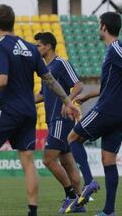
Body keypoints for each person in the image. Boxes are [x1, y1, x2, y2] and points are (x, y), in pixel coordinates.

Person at [0, 4, 80, 216]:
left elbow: (1, 80)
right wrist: (67, 101)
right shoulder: (31, 48)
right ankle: (32, 212)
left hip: (9, 109)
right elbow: (49, 80)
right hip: (28, 112)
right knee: (27, 160)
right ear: (13, 22)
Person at [67, 12, 122, 216]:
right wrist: (88, 95)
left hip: (107, 110)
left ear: (104, 26)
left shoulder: (115, 48)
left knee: (73, 138)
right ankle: (109, 211)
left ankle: (89, 182)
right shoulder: (111, 52)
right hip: (120, 114)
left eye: (98, 25)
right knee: (108, 160)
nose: (98, 28)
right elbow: (107, 86)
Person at [34, 32, 87, 213]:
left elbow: (78, 85)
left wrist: (69, 102)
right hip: (52, 119)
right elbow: (42, 95)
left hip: (61, 118)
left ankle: (71, 196)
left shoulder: (61, 63)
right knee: (67, 162)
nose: (36, 48)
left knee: (48, 159)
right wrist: (22, 100)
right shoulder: (45, 68)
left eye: (38, 45)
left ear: (48, 46)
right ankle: (79, 203)